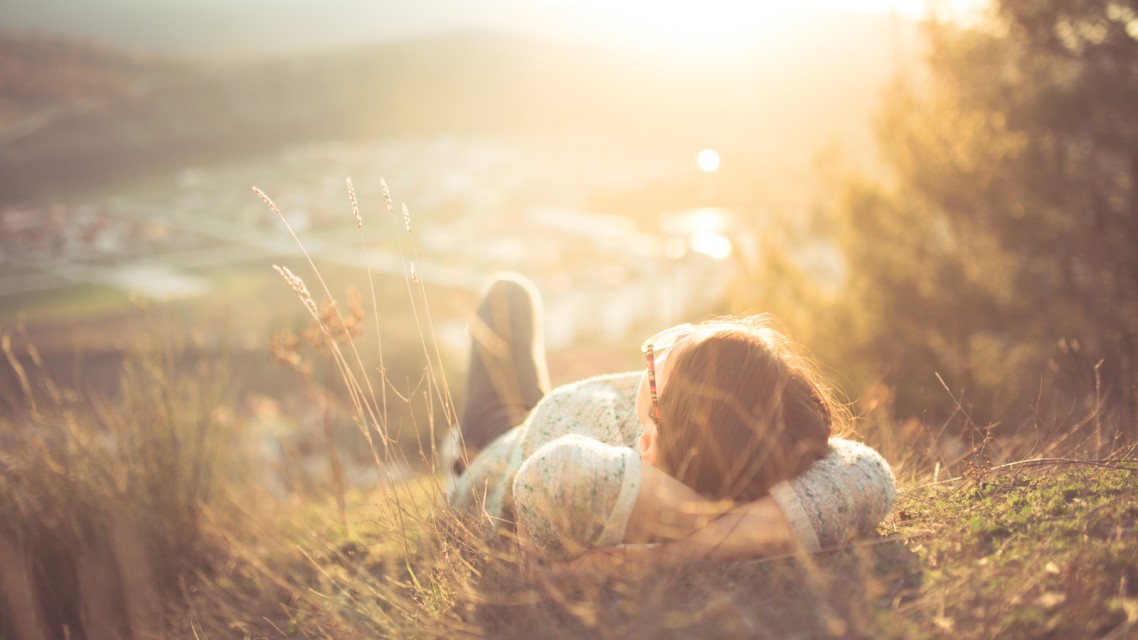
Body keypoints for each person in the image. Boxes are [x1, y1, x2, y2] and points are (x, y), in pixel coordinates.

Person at [445, 273, 895, 564]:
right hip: (532, 425)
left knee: (505, 295)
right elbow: (869, 474)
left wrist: (663, 558)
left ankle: (454, 460)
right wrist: (711, 527)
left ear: (650, 442)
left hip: (493, 449)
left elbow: (556, 473)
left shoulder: (589, 469)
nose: (651, 358)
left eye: (663, 361)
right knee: (511, 296)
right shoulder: (746, 446)